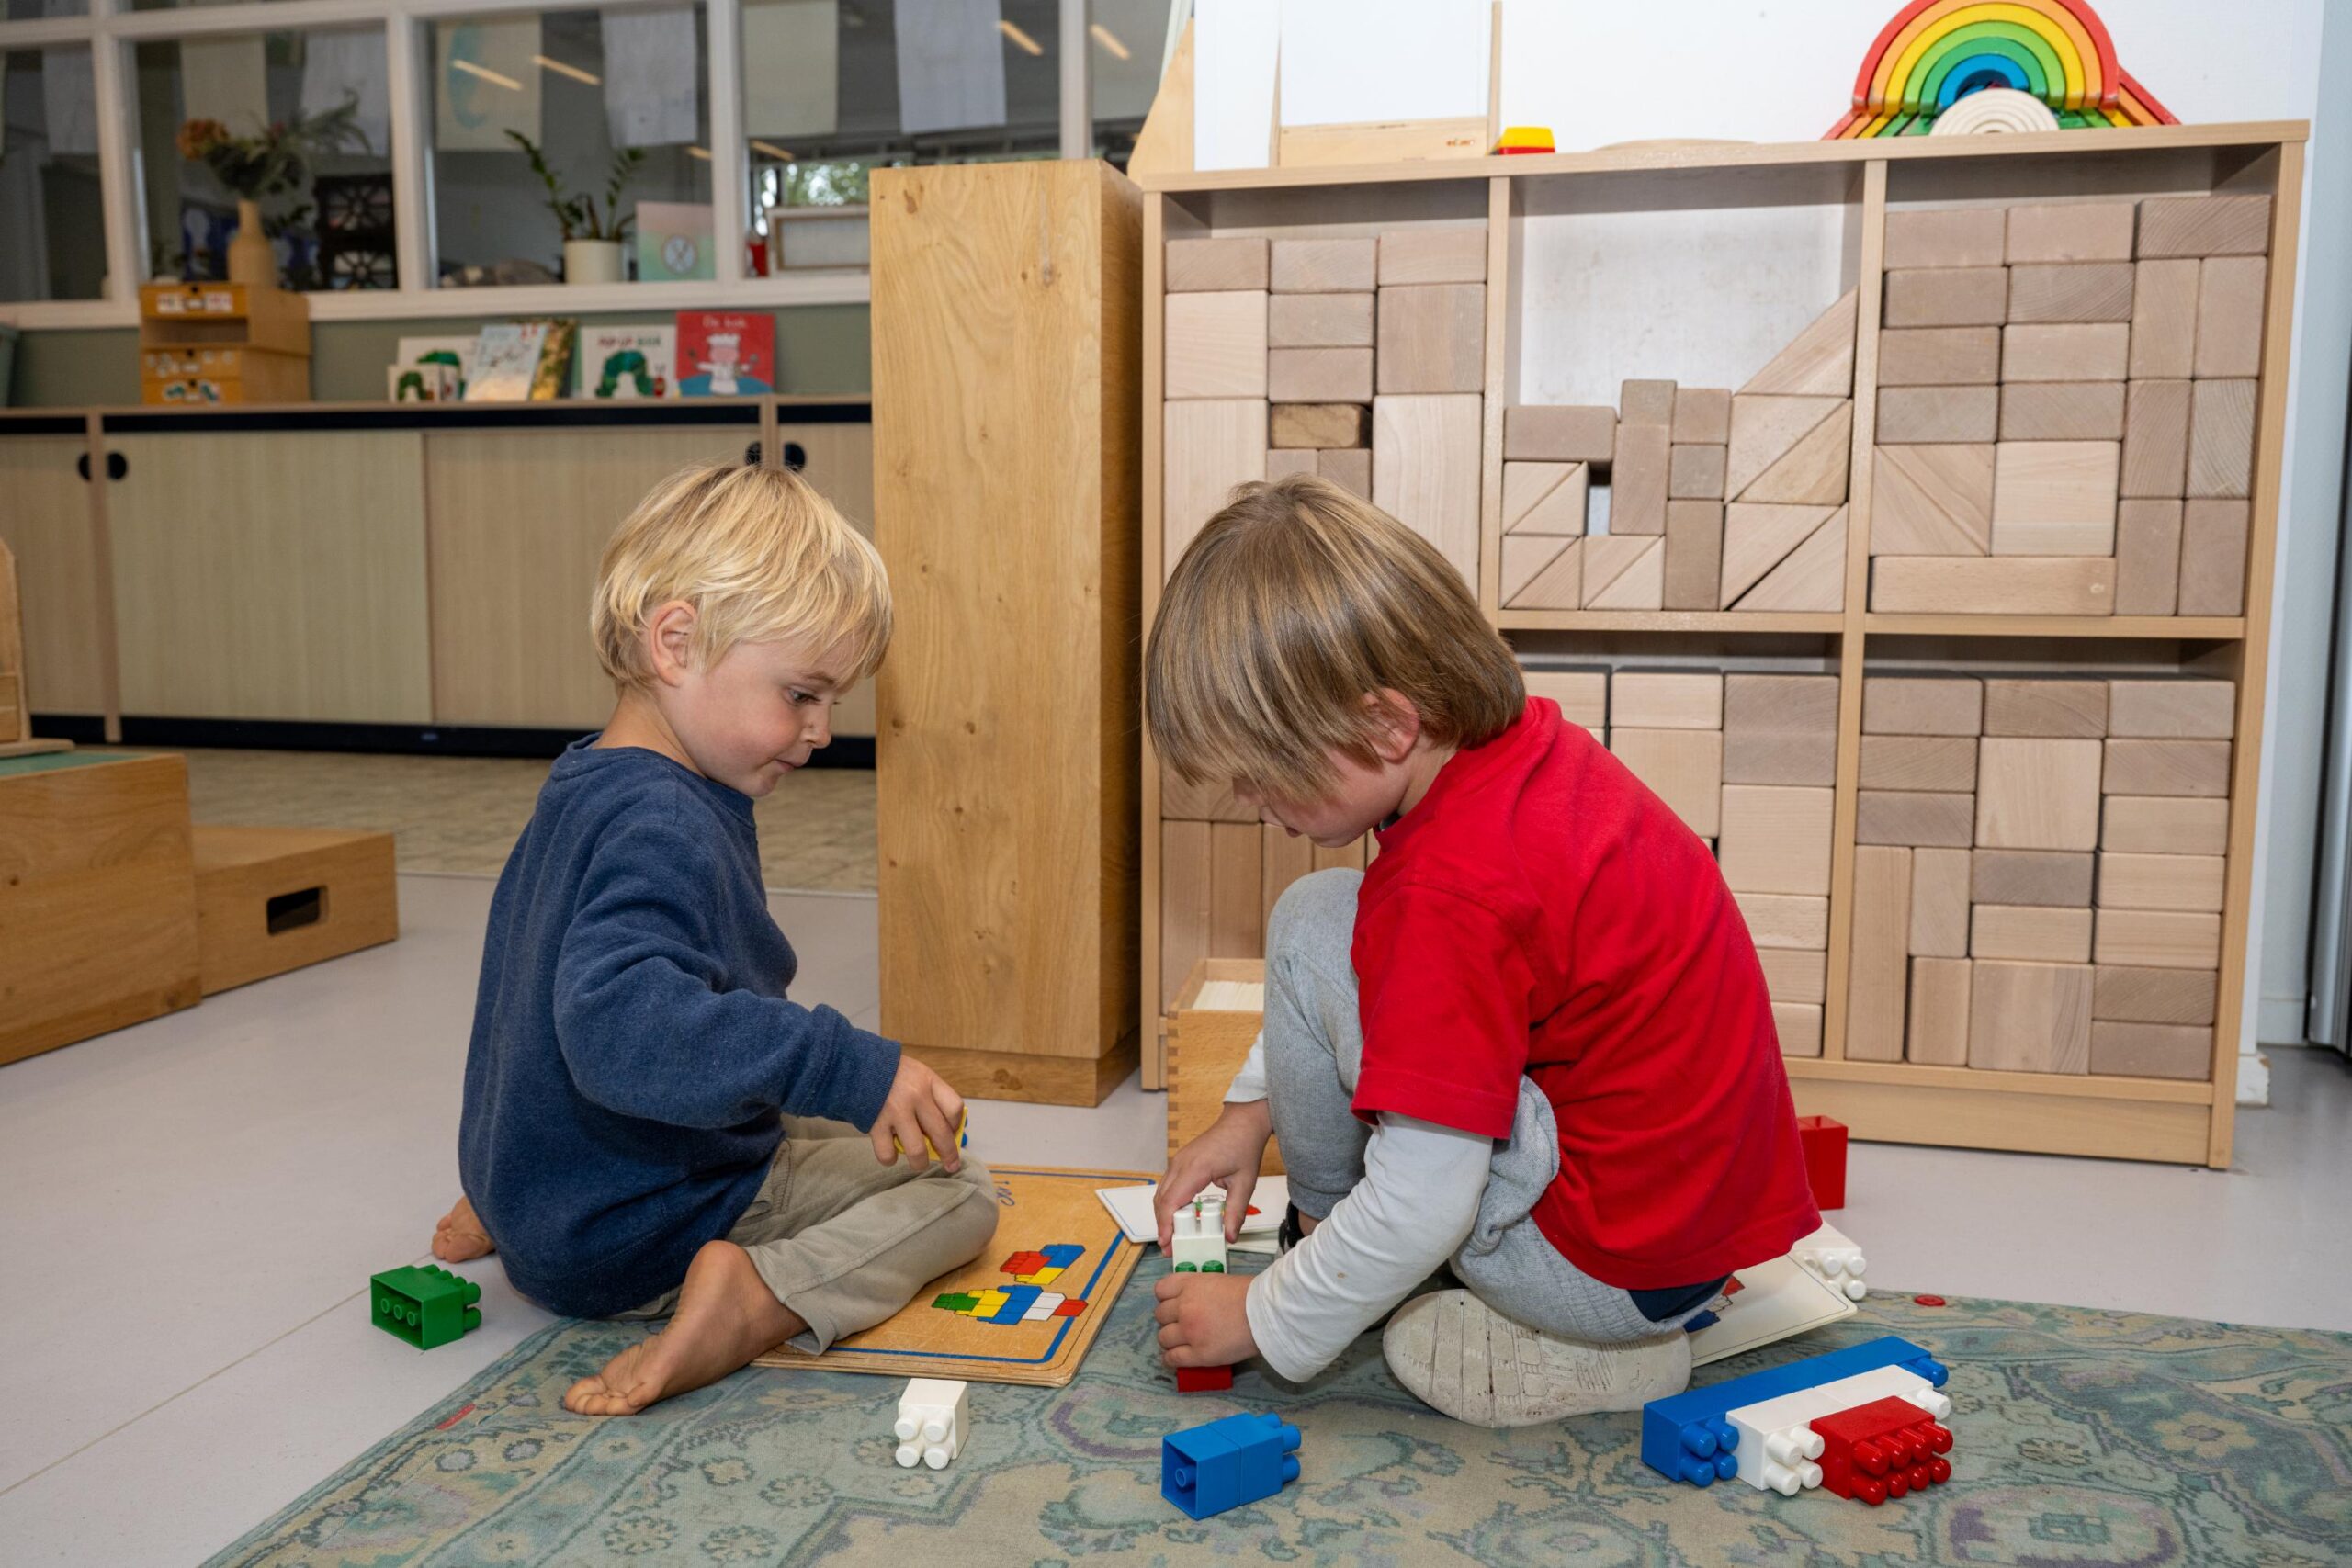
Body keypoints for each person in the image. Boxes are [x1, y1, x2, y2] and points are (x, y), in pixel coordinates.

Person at [1148, 473, 1819, 1427]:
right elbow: (1367, 973)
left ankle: (1407, 1278)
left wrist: (1260, 1316)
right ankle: (1348, 1244)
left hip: (1611, 1278)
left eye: (1264, 776)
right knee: (1321, 915)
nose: (1256, 804)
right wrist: (1246, 1116)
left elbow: (1428, 1198)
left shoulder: (1448, 890)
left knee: (1312, 929)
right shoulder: (1516, 757)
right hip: (1687, 1239)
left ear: (1385, 725)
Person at [432, 461, 997, 1416]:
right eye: (800, 694)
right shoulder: (664, 820)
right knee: (958, 1188)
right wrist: (839, 1060)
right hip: (627, 1229)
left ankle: (514, 1198)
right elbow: (623, 1028)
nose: (819, 731)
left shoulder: (590, 780)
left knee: (855, 1121)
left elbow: (538, 1003)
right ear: (677, 643)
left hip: (553, 1182)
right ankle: (755, 1298)